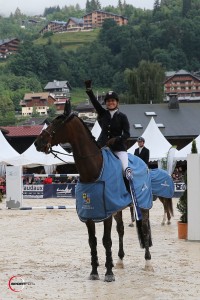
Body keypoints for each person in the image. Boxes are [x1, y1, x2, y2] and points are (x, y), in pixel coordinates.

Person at [85, 80, 132, 178]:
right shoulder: (103, 114)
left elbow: (127, 134)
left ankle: (130, 191)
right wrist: (89, 90)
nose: (110, 103)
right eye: (108, 101)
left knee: (125, 171)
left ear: (117, 102)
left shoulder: (123, 116)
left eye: (113, 101)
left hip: (118, 149)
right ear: (106, 103)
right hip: (102, 147)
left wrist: (117, 139)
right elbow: (95, 102)